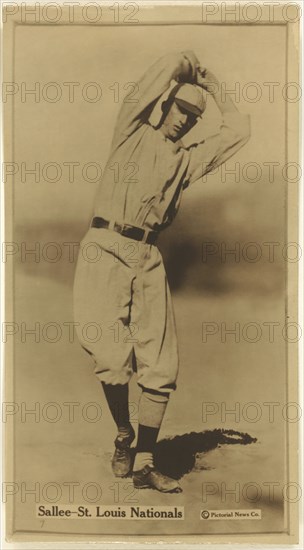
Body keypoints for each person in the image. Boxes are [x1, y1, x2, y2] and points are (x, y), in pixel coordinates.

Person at [73, 51, 250, 493]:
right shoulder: (130, 133)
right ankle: (123, 435)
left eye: (194, 116)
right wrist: (183, 66)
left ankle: (145, 463)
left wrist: (213, 88)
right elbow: (150, 81)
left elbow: (239, 130)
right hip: (104, 249)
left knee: (161, 363)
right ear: (165, 104)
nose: (185, 120)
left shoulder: (187, 161)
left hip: (148, 256)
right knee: (111, 360)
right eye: (181, 109)